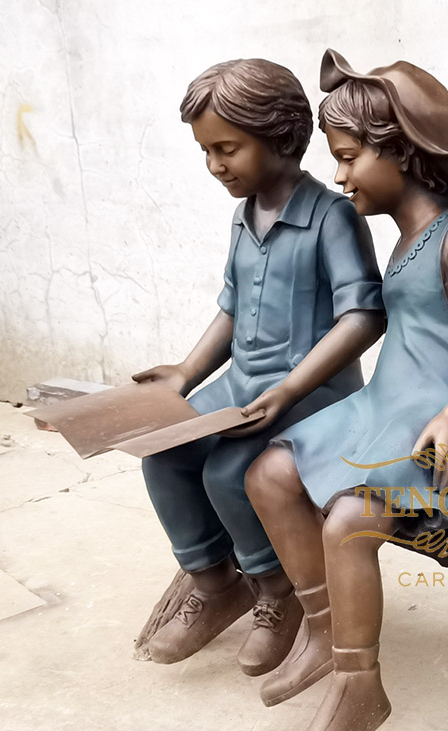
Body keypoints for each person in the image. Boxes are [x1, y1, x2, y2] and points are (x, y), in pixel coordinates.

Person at [245, 50, 448, 731]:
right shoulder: (401, 241)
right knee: (269, 473)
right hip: (387, 407)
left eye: (348, 157)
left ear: (400, 149)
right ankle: (324, 629)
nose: (339, 176)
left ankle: (357, 687)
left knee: (348, 519)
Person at [134, 58, 385, 674]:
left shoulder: (333, 217)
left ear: (280, 136)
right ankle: (216, 585)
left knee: (228, 471)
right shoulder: (243, 217)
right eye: (207, 152)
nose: (217, 165)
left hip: (314, 392)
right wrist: (185, 375)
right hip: (244, 383)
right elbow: (230, 308)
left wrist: (292, 387)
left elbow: (365, 316)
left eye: (228, 148)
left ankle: (276, 595)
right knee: (161, 451)